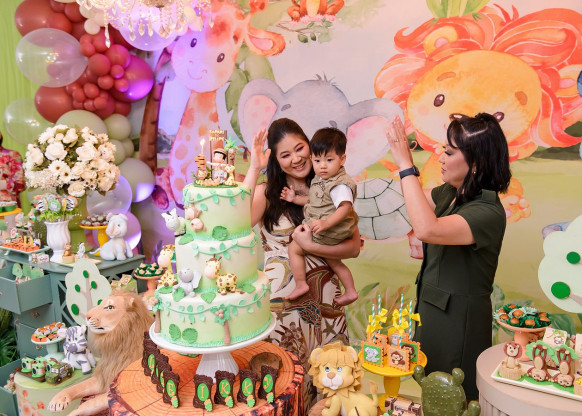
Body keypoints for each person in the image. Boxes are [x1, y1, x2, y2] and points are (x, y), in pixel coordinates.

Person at [386, 113, 511, 400]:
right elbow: (410, 201)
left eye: (450, 152)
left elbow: (427, 229)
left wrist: (406, 166)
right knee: (431, 391)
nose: (441, 158)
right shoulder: (451, 193)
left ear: (476, 163)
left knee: (456, 398)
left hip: (459, 323)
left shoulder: (487, 212)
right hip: (432, 312)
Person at [243, 118, 360, 410]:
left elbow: (353, 248)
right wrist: (254, 168)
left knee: (329, 383)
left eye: (299, 148)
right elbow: (238, 223)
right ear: (275, 159)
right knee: (285, 383)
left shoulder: (331, 186)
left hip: (327, 303)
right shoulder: (267, 192)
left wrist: (311, 246)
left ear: (310, 145)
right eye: (285, 155)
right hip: (284, 307)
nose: (296, 159)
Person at [281, 128, 359, 306]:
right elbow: (314, 200)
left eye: (329, 160)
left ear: (342, 159)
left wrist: (326, 223)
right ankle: (351, 291)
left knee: (295, 247)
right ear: (311, 159)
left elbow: (345, 207)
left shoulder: (340, 185)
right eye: (317, 161)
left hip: (330, 230)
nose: (322, 166)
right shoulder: (322, 179)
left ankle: (301, 284)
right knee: (334, 262)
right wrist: (295, 199)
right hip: (328, 229)